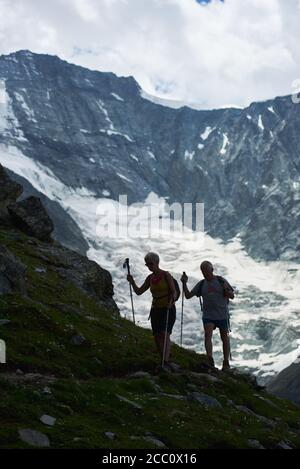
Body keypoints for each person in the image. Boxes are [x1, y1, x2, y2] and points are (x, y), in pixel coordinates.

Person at [126, 252, 177, 370]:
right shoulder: (150, 278)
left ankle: (165, 361)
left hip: (168, 308)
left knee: (165, 333)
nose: (149, 266)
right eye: (147, 264)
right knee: (157, 335)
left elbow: (174, 291)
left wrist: (172, 300)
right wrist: (132, 282)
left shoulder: (166, 275)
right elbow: (139, 292)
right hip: (155, 309)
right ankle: (163, 359)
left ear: (157, 263)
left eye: (150, 264)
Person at [181, 261, 234, 371]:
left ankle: (226, 362)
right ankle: (209, 358)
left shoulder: (221, 281)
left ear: (212, 270)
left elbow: (232, 296)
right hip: (208, 315)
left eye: (207, 271)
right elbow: (188, 295)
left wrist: (225, 288)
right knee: (208, 335)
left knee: (224, 337)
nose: (205, 273)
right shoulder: (201, 284)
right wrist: (184, 283)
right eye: (203, 271)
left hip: (222, 314)